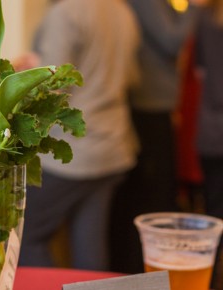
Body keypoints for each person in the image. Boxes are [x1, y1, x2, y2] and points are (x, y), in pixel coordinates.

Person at [19, 0, 140, 270]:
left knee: (24, 237)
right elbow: (133, 78)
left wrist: (23, 76)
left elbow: (50, 89)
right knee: (89, 245)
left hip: (74, 151)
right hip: (113, 144)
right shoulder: (123, 12)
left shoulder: (68, 12)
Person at [109, 0, 202, 274]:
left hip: (153, 103)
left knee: (154, 194)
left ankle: (141, 270)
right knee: (154, 197)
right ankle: (141, 272)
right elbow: (172, 40)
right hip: (147, 105)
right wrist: (196, 6)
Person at [194, 1, 223, 288]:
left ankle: (210, 280)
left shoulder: (204, 18)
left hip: (212, 133)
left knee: (214, 213)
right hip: (213, 133)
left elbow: (200, 71)